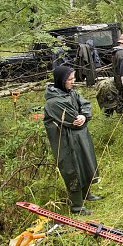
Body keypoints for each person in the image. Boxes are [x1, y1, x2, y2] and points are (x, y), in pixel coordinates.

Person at [44, 66, 103, 215]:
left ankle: (86, 194)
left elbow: (85, 104)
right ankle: (77, 206)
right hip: (65, 143)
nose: (73, 81)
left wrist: (84, 115)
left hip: (81, 138)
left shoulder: (71, 93)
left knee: (85, 163)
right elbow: (72, 120)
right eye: (70, 79)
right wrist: (80, 118)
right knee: (72, 169)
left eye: (73, 78)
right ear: (61, 81)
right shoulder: (53, 102)